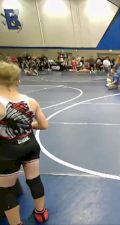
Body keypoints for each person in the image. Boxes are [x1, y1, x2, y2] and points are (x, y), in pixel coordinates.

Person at [0, 61, 49, 225]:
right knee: (34, 180)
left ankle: (16, 223)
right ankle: (41, 213)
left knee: (5, 189)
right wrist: (29, 125)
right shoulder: (31, 101)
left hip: (7, 151)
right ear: (18, 81)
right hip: (29, 145)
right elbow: (44, 125)